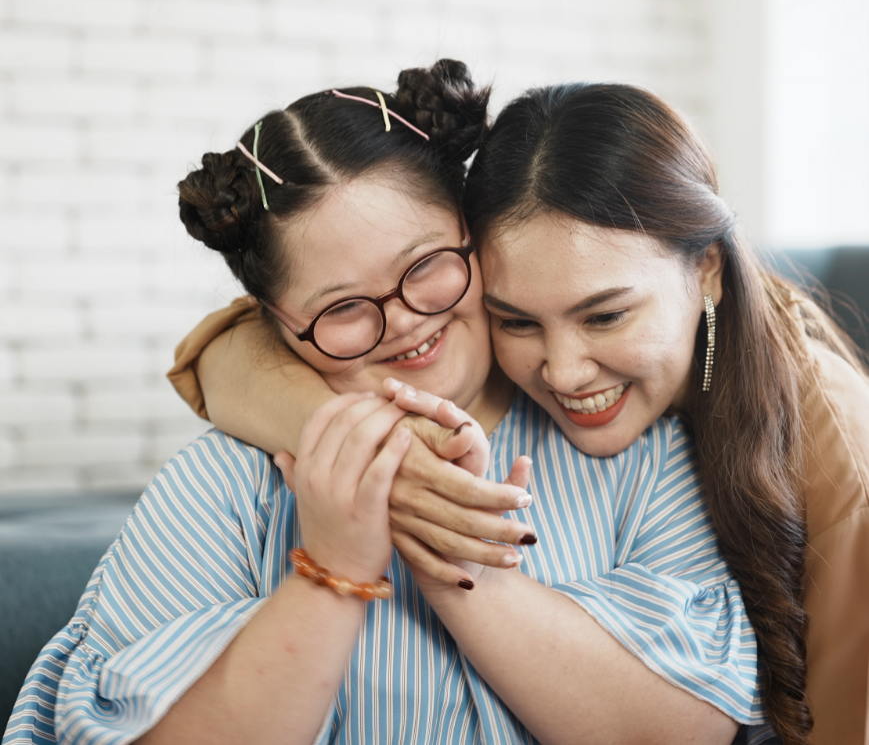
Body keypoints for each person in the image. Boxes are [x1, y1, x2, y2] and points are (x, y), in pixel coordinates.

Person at [2, 63, 764, 745]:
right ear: (276, 327)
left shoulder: (641, 453)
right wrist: (330, 572)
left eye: (427, 266)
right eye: (342, 308)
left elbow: (679, 728)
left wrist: (452, 552)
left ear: (475, 237)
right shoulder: (225, 486)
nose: (402, 321)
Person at [165, 82, 869, 745]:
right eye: (517, 320)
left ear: (707, 268)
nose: (561, 371)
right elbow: (229, 347)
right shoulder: (252, 455)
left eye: (605, 313)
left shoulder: (832, 453)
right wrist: (389, 463)